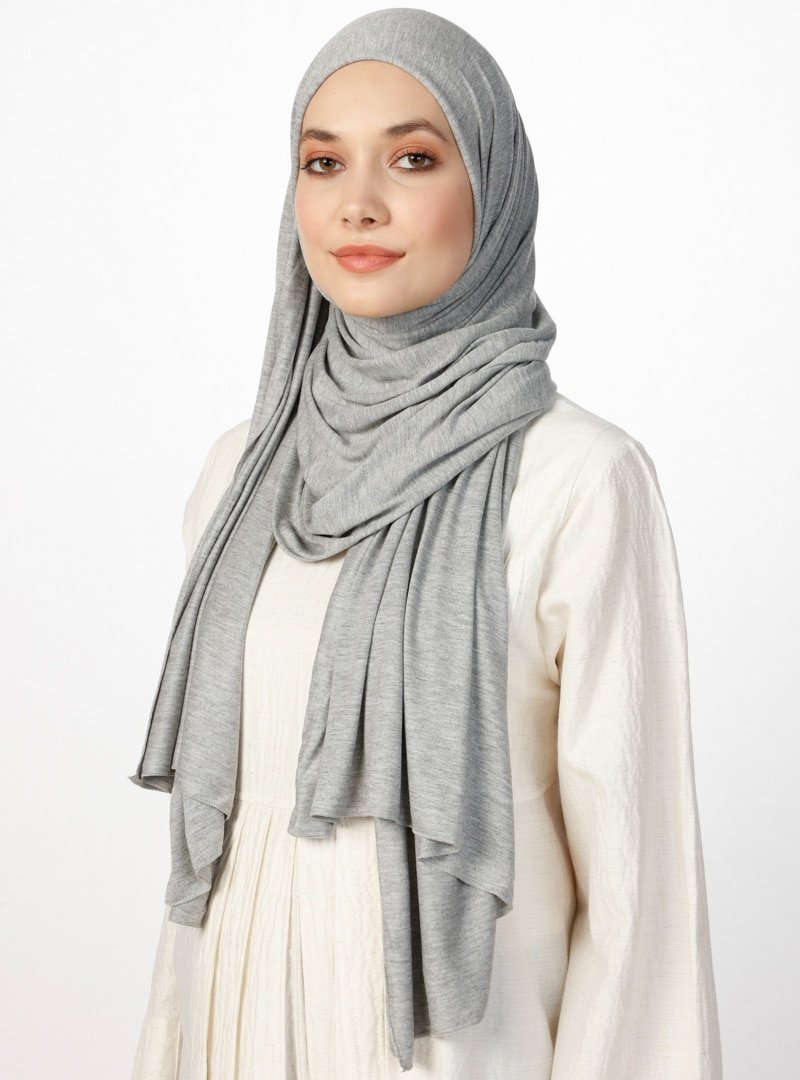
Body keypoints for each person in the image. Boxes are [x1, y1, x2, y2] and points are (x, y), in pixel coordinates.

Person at [130, 8, 723, 1078]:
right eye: (322, 162)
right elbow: (202, 870)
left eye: (412, 158)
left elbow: (639, 892)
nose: (356, 203)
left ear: (491, 187)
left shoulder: (578, 479)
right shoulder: (241, 475)